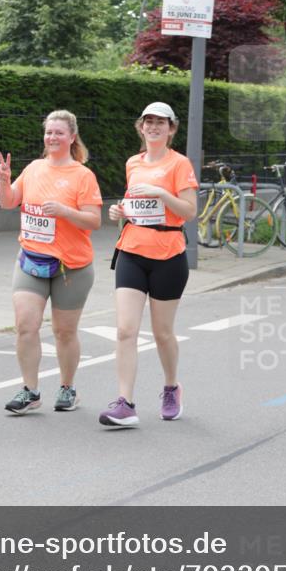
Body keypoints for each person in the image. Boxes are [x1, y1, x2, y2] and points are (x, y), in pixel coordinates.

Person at [0, 110, 103, 414]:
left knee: (64, 332)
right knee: (25, 326)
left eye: (59, 133)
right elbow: (8, 201)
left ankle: (68, 388)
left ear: (72, 137)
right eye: (48, 132)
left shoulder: (82, 175)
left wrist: (65, 212)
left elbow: (94, 220)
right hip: (31, 260)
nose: (52, 137)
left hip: (71, 267)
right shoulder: (33, 168)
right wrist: (4, 181)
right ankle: (30, 391)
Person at [99, 102, 198, 428]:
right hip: (131, 250)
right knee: (125, 329)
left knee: (162, 333)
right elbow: (134, 205)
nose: (154, 127)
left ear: (171, 129)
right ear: (141, 127)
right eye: (148, 122)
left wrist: (160, 193)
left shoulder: (179, 163)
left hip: (168, 254)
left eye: (161, 122)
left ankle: (171, 387)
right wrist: (120, 212)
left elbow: (189, 211)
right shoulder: (133, 163)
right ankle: (125, 403)